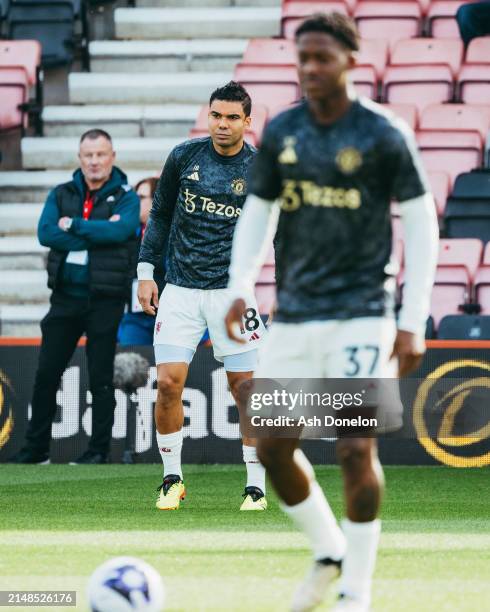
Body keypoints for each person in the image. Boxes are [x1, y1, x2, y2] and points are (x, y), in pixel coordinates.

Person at [225, 13, 438, 612]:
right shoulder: (284, 131)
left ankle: (355, 592)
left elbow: (422, 223)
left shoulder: (382, 133)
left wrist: (411, 317)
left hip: (363, 311)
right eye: (302, 59)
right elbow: (259, 213)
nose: (310, 69)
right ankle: (329, 550)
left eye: (322, 57)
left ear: (351, 58)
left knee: (352, 446)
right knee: (269, 444)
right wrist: (241, 282)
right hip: (294, 312)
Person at [137, 81, 268, 511]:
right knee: (169, 384)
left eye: (232, 117)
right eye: (216, 115)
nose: (223, 124)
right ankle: (171, 479)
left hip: (233, 294)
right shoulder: (183, 157)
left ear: (247, 122)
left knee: (245, 388)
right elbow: (159, 215)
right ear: (208, 116)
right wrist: (145, 272)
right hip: (181, 290)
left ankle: (256, 486)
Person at [10, 129, 140, 465]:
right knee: (46, 374)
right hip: (65, 297)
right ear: (79, 158)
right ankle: (35, 449)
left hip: (105, 299)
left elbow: (122, 230)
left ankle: (98, 450)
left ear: (112, 156)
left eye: (100, 154)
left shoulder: (126, 195)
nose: (94, 161)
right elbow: (46, 232)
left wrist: (75, 227)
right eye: (88, 155)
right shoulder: (61, 192)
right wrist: (97, 232)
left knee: (100, 379)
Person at [118, 176, 161, 346]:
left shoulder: (176, 234)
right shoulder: (129, 233)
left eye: (141, 198)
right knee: (130, 365)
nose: (134, 202)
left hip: (168, 315)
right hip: (135, 316)